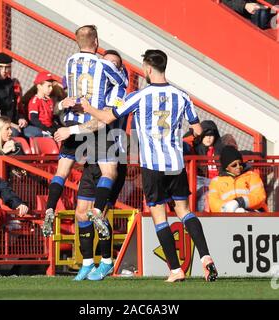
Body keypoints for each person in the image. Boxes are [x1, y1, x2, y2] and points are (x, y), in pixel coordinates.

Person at [80, 49, 218, 282]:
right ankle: (205, 257)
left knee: (159, 216)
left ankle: (175, 270)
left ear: (148, 68)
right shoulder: (182, 95)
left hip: (152, 166)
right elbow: (197, 130)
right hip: (175, 164)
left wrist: (88, 107)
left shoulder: (139, 96)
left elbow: (107, 118)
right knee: (184, 211)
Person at [41, 24, 126, 243]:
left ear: (77, 41)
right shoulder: (104, 64)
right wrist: (112, 103)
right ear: (96, 42)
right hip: (93, 124)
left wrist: (67, 103)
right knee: (110, 172)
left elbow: (67, 87)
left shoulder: (70, 62)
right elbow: (122, 83)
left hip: (70, 121)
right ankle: (98, 211)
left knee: (62, 171)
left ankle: (50, 209)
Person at [208, 145, 268, 212]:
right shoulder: (216, 181)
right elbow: (213, 203)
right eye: (234, 165)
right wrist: (228, 208)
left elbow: (259, 197)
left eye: (240, 163)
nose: (238, 167)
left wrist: (239, 202)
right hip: (227, 215)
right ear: (226, 167)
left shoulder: (252, 176)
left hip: (253, 213)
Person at [0, 52, 28, 136]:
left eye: (7, 67)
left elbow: (15, 107)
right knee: (15, 133)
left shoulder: (10, 83)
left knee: (36, 133)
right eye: (0, 67)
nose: (4, 71)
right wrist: (10, 124)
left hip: (13, 122)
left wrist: (21, 118)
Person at [26, 71, 60, 137]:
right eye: (48, 86)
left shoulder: (49, 100)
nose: (51, 88)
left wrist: (56, 127)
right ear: (39, 86)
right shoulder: (35, 101)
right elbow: (33, 119)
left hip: (49, 128)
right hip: (41, 129)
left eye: (51, 86)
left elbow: (51, 118)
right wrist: (46, 129)